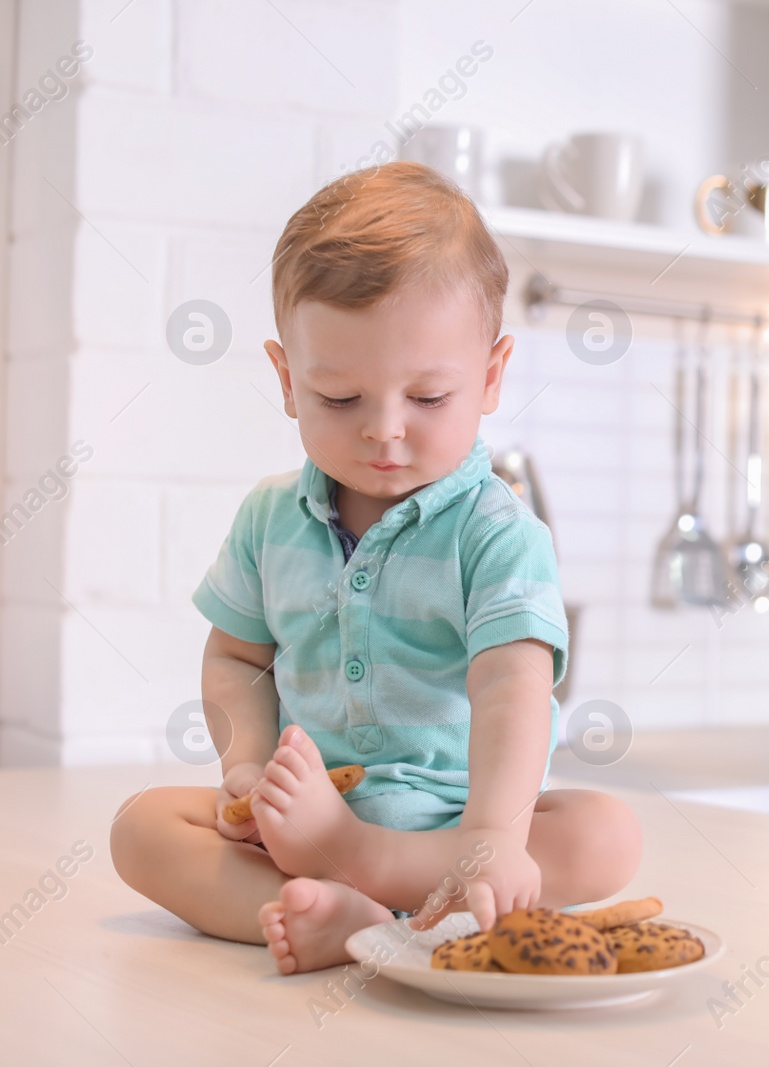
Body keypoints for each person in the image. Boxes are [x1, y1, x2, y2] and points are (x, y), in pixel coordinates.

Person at [110, 161, 641, 974]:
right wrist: (246, 766)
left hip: (457, 825)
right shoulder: (266, 518)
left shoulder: (498, 532)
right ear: (289, 380)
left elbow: (513, 688)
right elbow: (236, 657)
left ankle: (352, 878)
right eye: (340, 399)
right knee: (141, 827)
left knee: (607, 832)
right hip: (306, 808)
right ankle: (343, 914)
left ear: (491, 376)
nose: (384, 431)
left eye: (427, 398)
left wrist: (495, 837)